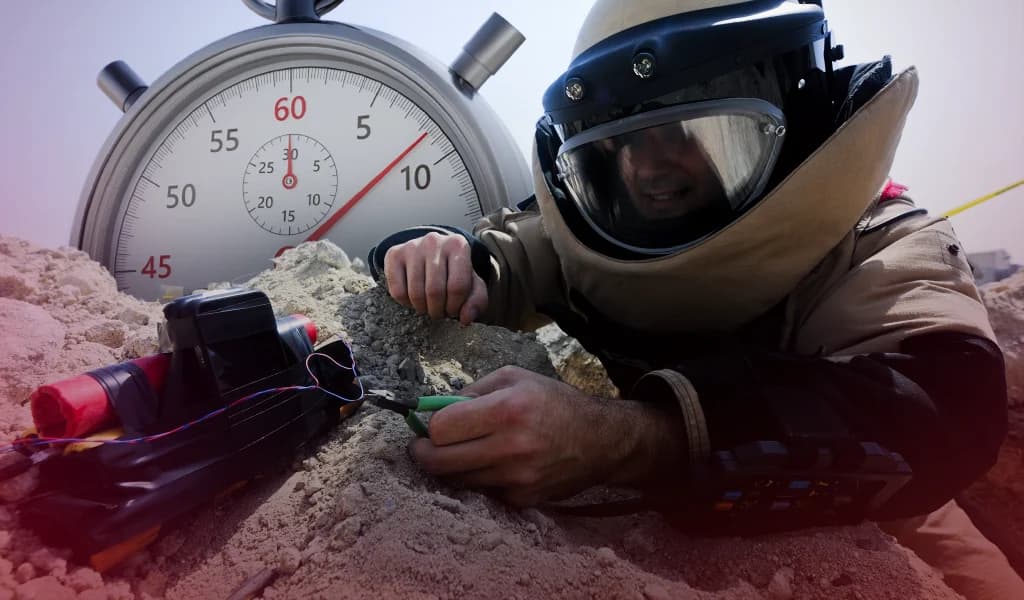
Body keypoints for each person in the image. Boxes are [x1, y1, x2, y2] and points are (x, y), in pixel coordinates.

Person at [368, 1, 1023, 597]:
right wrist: (442, 260)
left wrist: (631, 439)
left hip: (881, 499)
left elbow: (945, 403)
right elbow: (503, 258)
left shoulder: (873, 237)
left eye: (696, 126)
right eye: (620, 138)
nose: (648, 166)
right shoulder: (593, 231)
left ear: (795, 115)